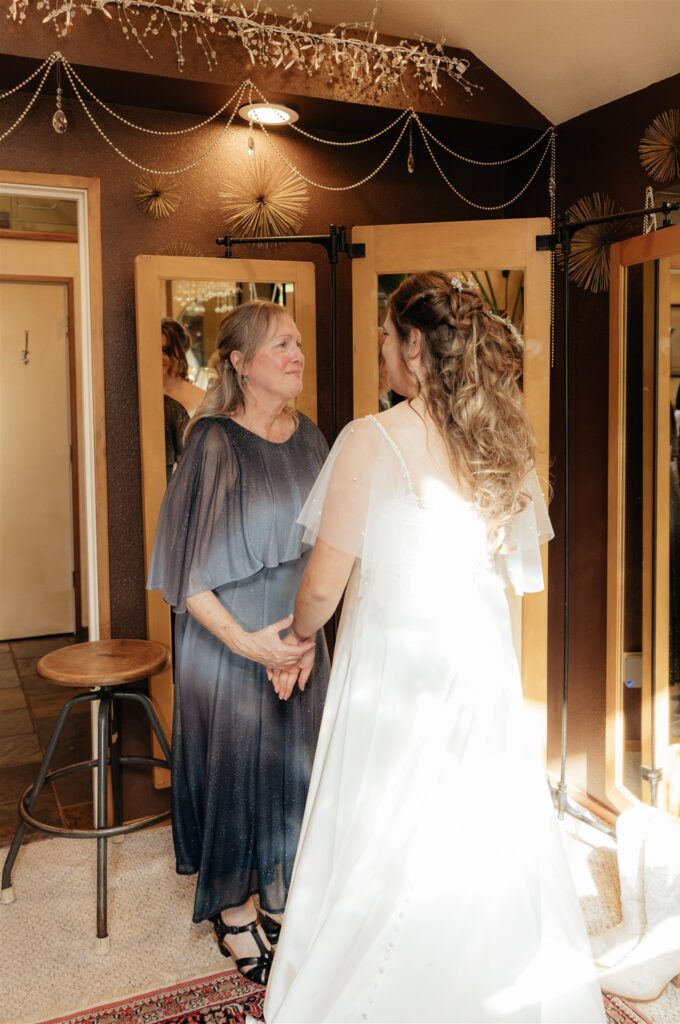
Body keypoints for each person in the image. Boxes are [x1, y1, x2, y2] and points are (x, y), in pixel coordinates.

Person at [264, 273, 605, 1023]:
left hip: (394, 665)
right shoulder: (502, 439)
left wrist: (293, 640)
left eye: (387, 337)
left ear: (414, 346)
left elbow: (321, 589)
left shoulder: (371, 437)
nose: (382, 351)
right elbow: (519, 572)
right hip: (476, 663)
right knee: (476, 822)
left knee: (388, 819)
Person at [148, 300, 330, 986]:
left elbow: (326, 550)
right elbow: (186, 578)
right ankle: (233, 911)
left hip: (299, 636)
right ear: (238, 361)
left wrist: (303, 639)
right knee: (238, 768)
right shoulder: (212, 442)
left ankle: (281, 892)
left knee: (292, 768)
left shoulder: (311, 436)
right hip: (227, 641)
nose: (297, 355)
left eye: (299, 344)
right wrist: (255, 647)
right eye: (281, 344)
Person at [161, 318, 205, 481]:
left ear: (180, 352)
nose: (160, 357)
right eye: (154, 350)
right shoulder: (145, 400)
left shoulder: (201, 399)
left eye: (166, 351)